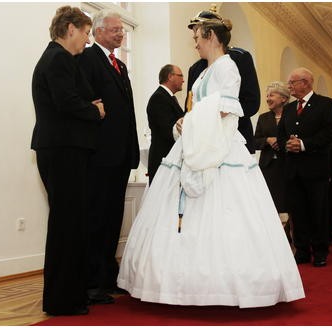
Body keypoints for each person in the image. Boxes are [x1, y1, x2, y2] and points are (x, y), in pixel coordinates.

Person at [117, 14, 304, 308]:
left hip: (219, 145)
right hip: (199, 139)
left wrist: (191, 123)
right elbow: (199, 108)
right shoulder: (206, 71)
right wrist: (185, 121)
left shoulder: (228, 67)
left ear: (212, 37)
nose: (195, 44)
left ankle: (226, 284)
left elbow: (227, 110)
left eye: (197, 38)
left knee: (227, 212)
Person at [31, 6, 105, 315]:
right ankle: (64, 301)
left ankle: (70, 295)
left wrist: (87, 103)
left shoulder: (61, 59)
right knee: (67, 225)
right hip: (62, 149)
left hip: (63, 148)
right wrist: (95, 111)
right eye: (87, 33)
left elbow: (77, 96)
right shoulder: (58, 58)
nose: (87, 41)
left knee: (70, 223)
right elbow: (67, 101)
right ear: (70, 28)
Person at [78, 9, 140, 303]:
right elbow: (91, 105)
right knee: (96, 217)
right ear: (98, 31)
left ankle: (107, 275)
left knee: (113, 218)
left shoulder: (121, 66)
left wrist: (132, 149)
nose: (121, 34)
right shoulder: (87, 60)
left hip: (120, 155)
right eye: (115, 29)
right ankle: (91, 281)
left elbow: (126, 112)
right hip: (100, 155)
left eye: (122, 30)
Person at [277, 67, 332, 267]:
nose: (289, 86)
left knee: (317, 211)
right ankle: (302, 250)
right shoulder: (287, 108)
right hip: (293, 170)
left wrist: (303, 144)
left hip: (315, 169)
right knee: (298, 212)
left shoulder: (325, 104)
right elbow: (281, 134)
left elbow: (330, 134)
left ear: (305, 82)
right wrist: (287, 143)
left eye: (292, 82)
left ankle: (320, 251)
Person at [186, 8, 260, 154]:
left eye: (198, 34)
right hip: (201, 141)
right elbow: (190, 105)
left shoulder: (239, 59)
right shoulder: (195, 69)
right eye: (194, 35)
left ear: (211, 35)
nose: (196, 41)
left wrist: (222, 121)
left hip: (233, 137)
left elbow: (251, 102)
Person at [254, 82, 290, 232]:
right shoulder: (263, 118)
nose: (268, 98)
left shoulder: (292, 115)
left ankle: (292, 240)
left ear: (283, 98)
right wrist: (268, 140)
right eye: (267, 95)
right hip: (268, 168)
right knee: (271, 205)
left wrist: (282, 141)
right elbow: (255, 141)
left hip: (288, 166)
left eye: (272, 95)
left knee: (288, 204)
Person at [146, 64, 185, 185]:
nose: (183, 80)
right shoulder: (158, 98)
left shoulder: (168, 97)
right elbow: (168, 130)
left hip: (169, 159)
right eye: (180, 76)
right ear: (170, 76)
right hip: (163, 160)